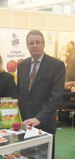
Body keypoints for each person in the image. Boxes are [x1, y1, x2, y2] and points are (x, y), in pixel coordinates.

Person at [17, 30, 65, 159]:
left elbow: (56, 97)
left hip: (44, 122)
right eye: (31, 43)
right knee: (25, 154)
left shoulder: (57, 65)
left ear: (44, 44)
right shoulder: (22, 65)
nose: (34, 45)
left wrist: (39, 118)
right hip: (25, 121)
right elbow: (20, 94)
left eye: (38, 42)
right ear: (27, 45)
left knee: (43, 155)